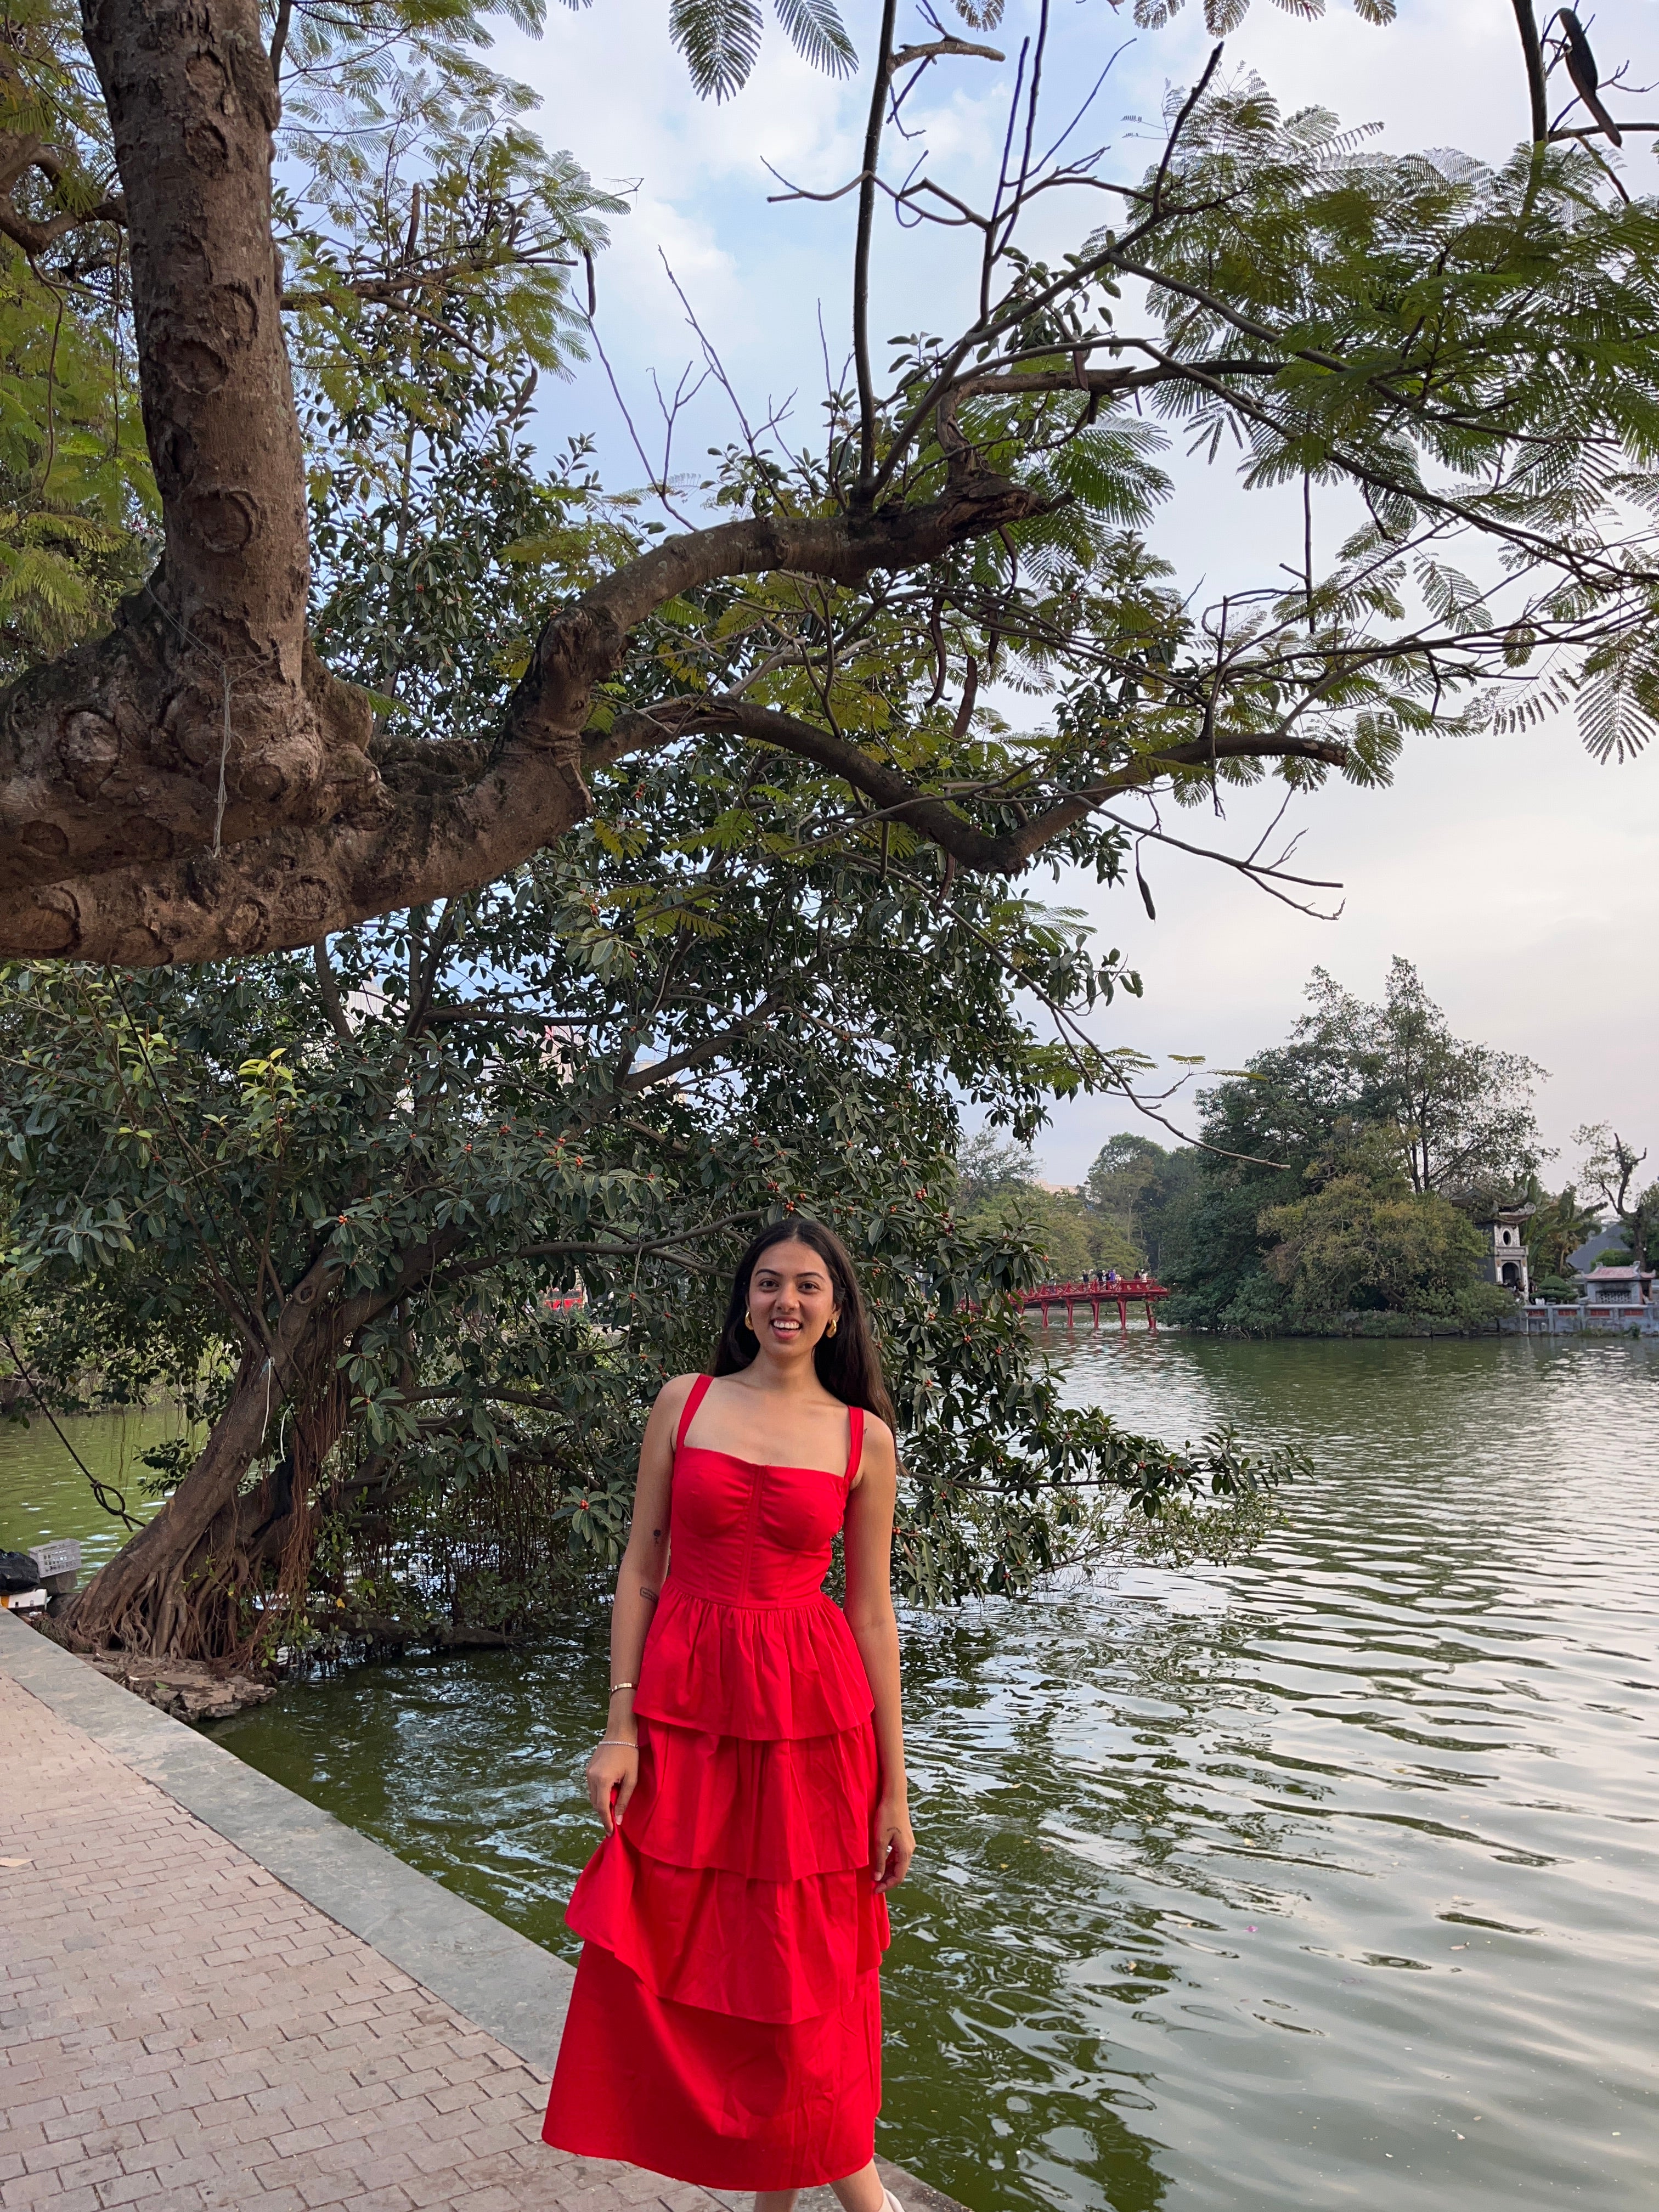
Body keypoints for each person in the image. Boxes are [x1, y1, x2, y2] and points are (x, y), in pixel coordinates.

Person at [543, 1218, 915, 2210]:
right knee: (688, 1947)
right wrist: (618, 1728)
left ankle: (845, 2183)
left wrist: (896, 1790)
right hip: (686, 1712)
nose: (784, 1302)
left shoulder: (862, 1438)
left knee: (801, 1956)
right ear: (744, 1300)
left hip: (812, 1718)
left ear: (837, 1308)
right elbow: (640, 1570)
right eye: (766, 1284)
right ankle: (818, 2185)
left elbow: (872, 1615)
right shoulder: (685, 1402)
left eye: (806, 1286)